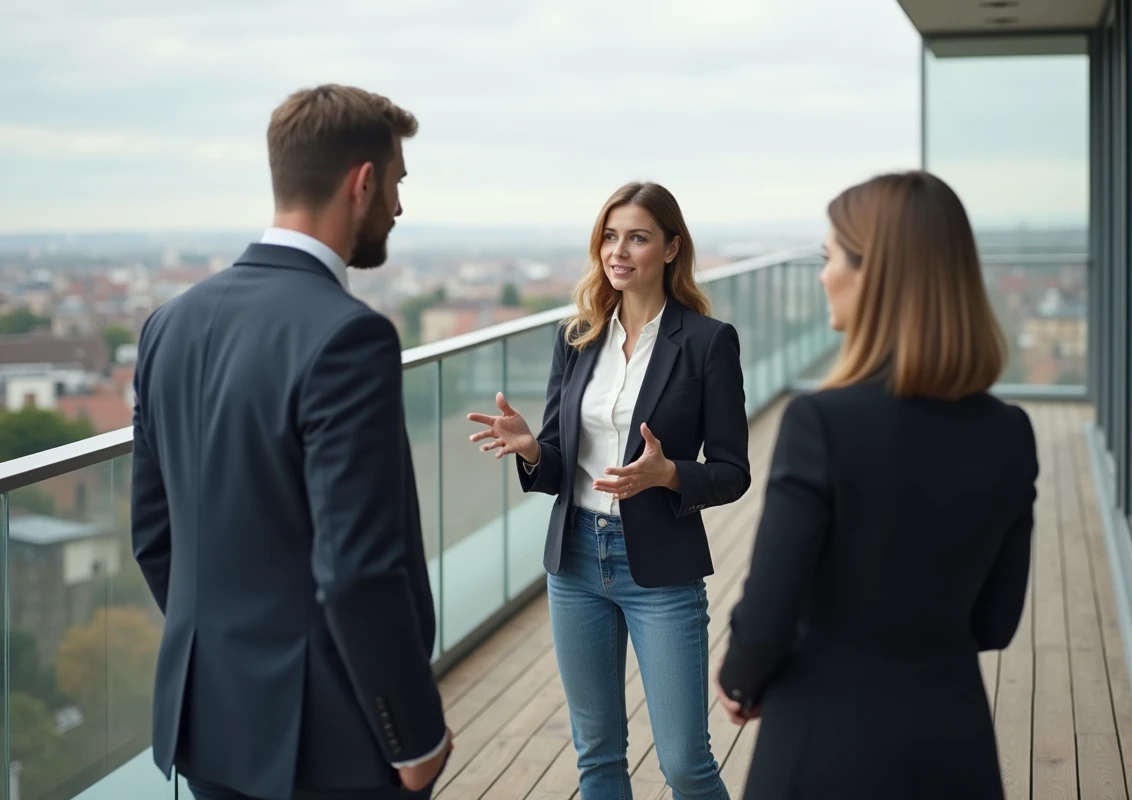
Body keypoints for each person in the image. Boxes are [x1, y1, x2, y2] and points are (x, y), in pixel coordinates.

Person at [131, 84, 451, 800]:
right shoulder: (349, 335)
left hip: (207, 723)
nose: (398, 207)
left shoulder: (168, 324)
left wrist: (231, 661)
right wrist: (416, 736)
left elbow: (155, 537)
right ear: (362, 182)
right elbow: (358, 571)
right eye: (397, 183)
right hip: (327, 741)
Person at [715, 170, 1038, 799]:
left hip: (823, 748)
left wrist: (740, 680)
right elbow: (995, 623)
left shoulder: (820, 423)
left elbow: (765, 617)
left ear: (876, 274)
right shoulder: (1011, 432)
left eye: (829, 257)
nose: (821, 275)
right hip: (956, 746)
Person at [465, 181, 750, 799]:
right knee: (597, 757)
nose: (618, 252)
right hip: (574, 563)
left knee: (684, 764)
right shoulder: (578, 337)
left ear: (672, 248)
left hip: (661, 573)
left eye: (638, 237)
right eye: (610, 236)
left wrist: (669, 473)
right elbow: (559, 460)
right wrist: (532, 448)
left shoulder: (707, 342)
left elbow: (732, 471)